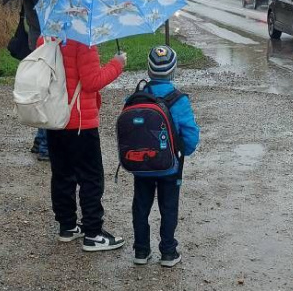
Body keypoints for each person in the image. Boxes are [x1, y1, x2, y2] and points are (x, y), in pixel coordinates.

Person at [45, 36, 127, 250]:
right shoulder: (83, 41)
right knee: (91, 177)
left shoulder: (46, 38)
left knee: (62, 174)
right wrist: (117, 64)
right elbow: (91, 82)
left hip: (54, 118)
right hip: (81, 121)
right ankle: (93, 233)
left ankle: (67, 226)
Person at [130, 46, 200, 268]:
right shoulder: (178, 100)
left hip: (141, 164)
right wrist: (182, 153)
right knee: (168, 206)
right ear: (173, 71)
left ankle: (141, 250)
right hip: (170, 165)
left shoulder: (136, 97)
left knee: (141, 205)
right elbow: (190, 135)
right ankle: (168, 252)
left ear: (149, 70)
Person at [9, 0, 63, 161]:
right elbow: (57, 9)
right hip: (48, 39)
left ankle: (40, 141)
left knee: (42, 88)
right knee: (50, 92)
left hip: (35, 37)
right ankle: (45, 145)